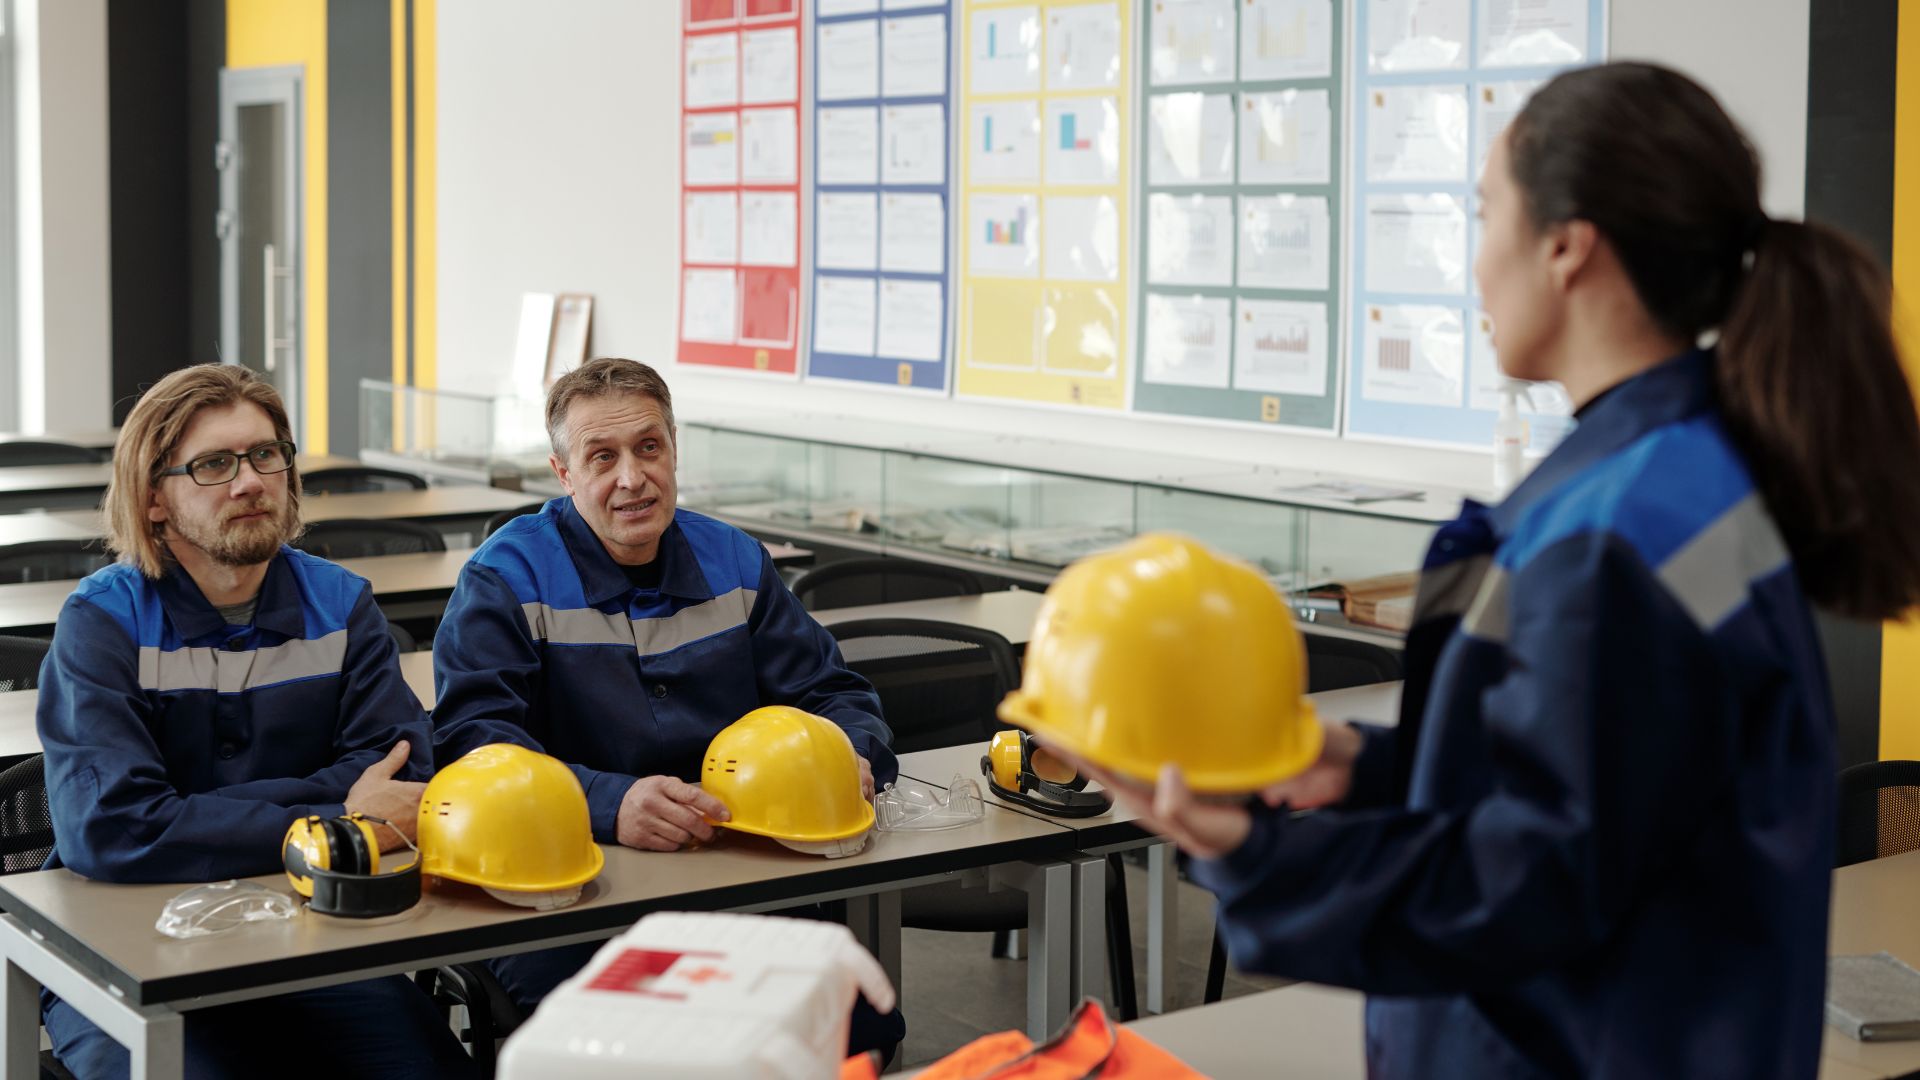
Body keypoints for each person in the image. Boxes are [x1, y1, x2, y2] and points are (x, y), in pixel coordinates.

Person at [1065, 63, 1920, 1078]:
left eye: (1483, 217)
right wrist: (1368, 768)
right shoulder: (1694, 481)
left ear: (1566, 247)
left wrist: (1254, 857)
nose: (1473, 267)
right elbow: (1624, 784)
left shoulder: (1609, 532)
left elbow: (1532, 883)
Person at [431, 358, 903, 1050]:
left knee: (857, 1025)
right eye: (602, 457)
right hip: (563, 891)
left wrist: (849, 751)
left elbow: (835, 694)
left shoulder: (737, 562)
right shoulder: (506, 578)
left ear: (674, 450)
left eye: (649, 447)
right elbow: (474, 744)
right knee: (634, 1048)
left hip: (736, 875)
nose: (632, 478)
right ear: (564, 475)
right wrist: (609, 803)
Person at [36, 364, 476, 1079]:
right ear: (153, 499)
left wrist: (190, 815)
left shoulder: (341, 603)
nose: (249, 482)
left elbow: (403, 777)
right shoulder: (102, 622)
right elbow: (114, 827)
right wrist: (341, 819)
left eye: (266, 454)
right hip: (129, 948)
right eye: (214, 464)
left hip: (319, 938)